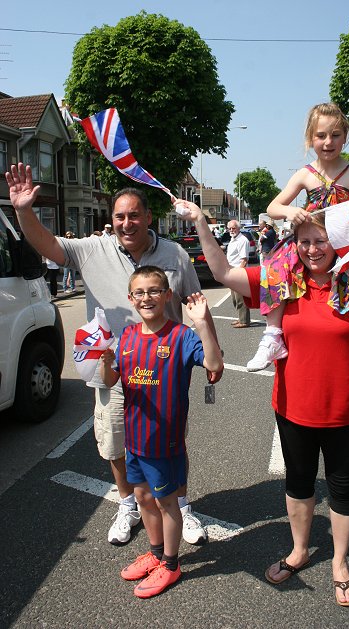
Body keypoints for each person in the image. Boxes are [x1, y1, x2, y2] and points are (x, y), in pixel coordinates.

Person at [175, 198, 349, 607]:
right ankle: (299, 550)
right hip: (293, 406)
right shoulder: (283, 279)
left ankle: (339, 562)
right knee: (298, 484)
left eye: (322, 241)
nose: (313, 249)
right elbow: (224, 272)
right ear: (294, 244)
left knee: (343, 486)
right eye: (305, 241)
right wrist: (201, 223)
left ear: (337, 243)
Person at [6, 163, 222, 547]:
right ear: (113, 219)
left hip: (164, 371)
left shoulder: (174, 254)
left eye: (134, 215)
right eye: (119, 216)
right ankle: (128, 504)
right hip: (113, 368)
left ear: (148, 217)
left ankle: (182, 506)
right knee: (114, 443)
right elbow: (47, 244)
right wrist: (23, 210)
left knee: (172, 444)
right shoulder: (92, 249)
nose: (126, 223)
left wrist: (209, 354)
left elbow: (196, 305)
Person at [246, 103, 349, 390]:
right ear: (311, 138)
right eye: (321, 135)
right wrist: (289, 213)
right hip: (312, 239)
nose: (328, 142)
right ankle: (273, 336)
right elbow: (274, 206)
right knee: (275, 263)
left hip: (346, 244)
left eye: (335, 135)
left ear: (345, 137)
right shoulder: (304, 174)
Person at [100, 266, 223, 598]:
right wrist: (104, 362)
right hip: (135, 441)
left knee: (167, 503)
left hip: (165, 444)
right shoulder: (126, 337)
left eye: (154, 291)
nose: (147, 298)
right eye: (140, 293)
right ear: (131, 299)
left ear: (168, 296)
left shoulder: (181, 336)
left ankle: (170, 564)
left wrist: (202, 324)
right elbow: (113, 380)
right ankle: (155, 554)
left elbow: (214, 366)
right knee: (141, 497)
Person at [226, 220, 250, 328]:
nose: (231, 230)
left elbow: (244, 260)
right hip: (231, 272)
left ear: (238, 228)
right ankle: (240, 318)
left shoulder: (242, 240)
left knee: (240, 298)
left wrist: (239, 274)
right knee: (235, 299)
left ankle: (244, 321)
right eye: (230, 228)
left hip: (238, 273)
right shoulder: (233, 239)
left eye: (233, 228)